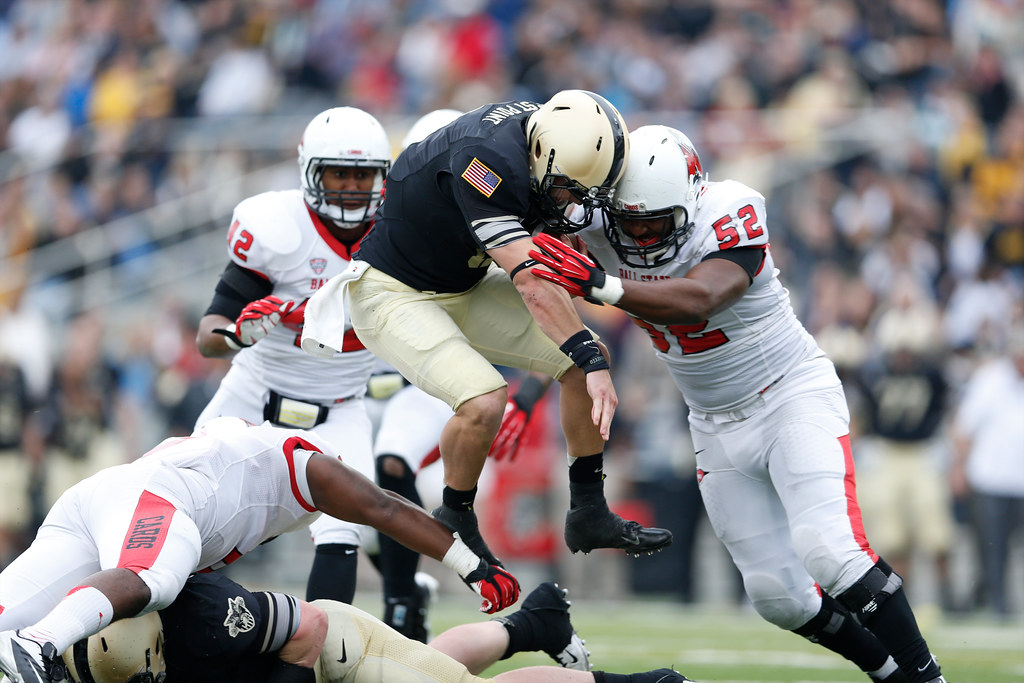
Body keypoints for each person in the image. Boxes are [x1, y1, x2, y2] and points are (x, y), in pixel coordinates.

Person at [528, 124, 946, 683]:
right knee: (778, 597)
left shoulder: (730, 211)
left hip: (788, 396)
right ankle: (888, 672)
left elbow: (704, 296)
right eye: (633, 222)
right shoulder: (597, 224)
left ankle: (926, 677)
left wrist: (601, 284)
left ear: (692, 201)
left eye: (659, 221)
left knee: (832, 552)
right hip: (714, 423)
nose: (646, 236)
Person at [301, 90, 672, 566]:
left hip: (463, 279)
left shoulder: (544, 142)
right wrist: (593, 357)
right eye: (567, 190)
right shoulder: (489, 160)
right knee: (485, 398)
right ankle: (455, 516)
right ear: (542, 157)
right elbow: (534, 283)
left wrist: (589, 354)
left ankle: (588, 509)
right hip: (391, 291)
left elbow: (548, 267)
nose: (572, 204)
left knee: (581, 358)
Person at [0, 418, 519, 683]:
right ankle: (37, 642)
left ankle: (22, 639)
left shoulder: (231, 449)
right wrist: (469, 563)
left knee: (8, 608)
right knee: (150, 579)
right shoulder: (305, 461)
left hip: (104, 497)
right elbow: (384, 508)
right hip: (157, 499)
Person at [365, 109, 554, 641]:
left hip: (436, 398)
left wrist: (532, 393)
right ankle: (414, 592)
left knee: (392, 465)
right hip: (372, 389)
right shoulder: (396, 224)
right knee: (360, 517)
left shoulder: (495, 223)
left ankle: (402, 604)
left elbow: (544, 319)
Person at [192, 106, 390, 606]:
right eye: (337, 173)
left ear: (381, 178)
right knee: (190, 505)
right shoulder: (276, 229)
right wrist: (238, 334)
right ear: (310, 172)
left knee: (345, 529)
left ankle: (319, 659)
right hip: (253, 394)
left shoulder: (400, 232)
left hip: (341, 408)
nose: (349, 187)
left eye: (361, 175)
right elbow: (208, 334)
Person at [52, 571, 688, 683]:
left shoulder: (209, 619)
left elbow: (307, 629)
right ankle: (535, 623)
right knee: (428, 663)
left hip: (335, 654)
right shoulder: (86, 646)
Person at [950, 322, 1024, 618]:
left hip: (1019, 480)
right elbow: (964, 427)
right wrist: (958, 467)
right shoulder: (990, 379)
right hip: (991, 477)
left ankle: (988, 599)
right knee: (993, 548)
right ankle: (997, 605)